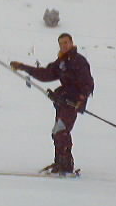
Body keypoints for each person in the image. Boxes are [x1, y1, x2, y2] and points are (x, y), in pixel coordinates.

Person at [10, 33, 94, 174]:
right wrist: (23, 67)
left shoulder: (78, 61)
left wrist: (81, 99)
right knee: (57, 132)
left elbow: (88, 83)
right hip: (63, 101)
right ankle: (59, 162)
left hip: (73, 102)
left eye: (66, 42)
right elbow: (46, 74)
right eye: (61, 43)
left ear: (72, 43)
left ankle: (66, 165)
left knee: (61, 131)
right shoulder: (61, 62)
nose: (63, 46)